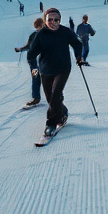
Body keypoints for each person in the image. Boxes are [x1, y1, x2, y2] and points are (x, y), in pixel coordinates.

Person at [26, 8, 83, 138]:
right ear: (45, 21)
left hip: (63, 68)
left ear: (60, 20)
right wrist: (34, 67)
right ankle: (62, 112)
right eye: (50, 20)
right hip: (46, 69)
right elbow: (31, 54)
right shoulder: (41, 35)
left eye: (56, 19)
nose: (53, 22)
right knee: (50, 98)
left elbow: (77, 43)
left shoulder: (65, 32)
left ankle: (51, 124)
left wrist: (78, 56)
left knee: (55, 94)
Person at [14, 18, 45, 106]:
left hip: (44, 62)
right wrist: (20, 49)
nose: (38, 28)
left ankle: (53, 97)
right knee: (35, 78)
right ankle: (36, 97)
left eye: (40, 26)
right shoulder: (33, 35)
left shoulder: (47, 35)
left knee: (48, 79)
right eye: (37, 26)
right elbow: (28, 46)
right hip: (33, 62)